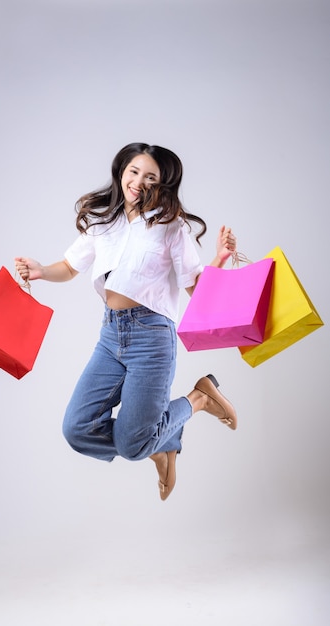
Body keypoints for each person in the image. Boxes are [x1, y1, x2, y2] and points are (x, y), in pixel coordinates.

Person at [15, 142, 238, 501]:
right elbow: (71, 267)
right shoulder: (106, 223)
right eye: (134, 171)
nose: (138, 181)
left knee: (132, 445)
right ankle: (160, 443)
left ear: (161, 185)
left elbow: (196, 287)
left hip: (151, 339)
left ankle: (198, 399)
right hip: (110, 335)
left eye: (150, 176)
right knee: (77, 429)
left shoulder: (171, 227)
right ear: (122, 171)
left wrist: (220, 258)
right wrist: (41, 270)